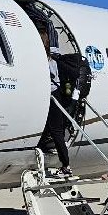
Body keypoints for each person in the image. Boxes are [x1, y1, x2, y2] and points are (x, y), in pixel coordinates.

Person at [36, 25, 71, 176]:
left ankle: (66, 165)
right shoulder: (53, 58)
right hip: (56, 93)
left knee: (55, 130)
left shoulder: (42, 60)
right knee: (55, 129)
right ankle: (65, 163)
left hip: (50, 95)